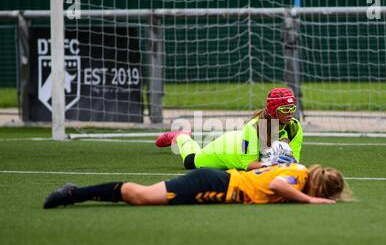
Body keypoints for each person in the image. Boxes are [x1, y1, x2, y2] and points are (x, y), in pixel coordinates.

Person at [43, 163, 352, 209]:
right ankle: (75, 193)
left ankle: (75, 192)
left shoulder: (298, 168)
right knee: (138, 197)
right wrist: (308, 201)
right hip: (212, 183)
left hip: (219, 179)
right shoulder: (298, 179)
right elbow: (275, 183)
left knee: (139, 197)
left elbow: (259, 168)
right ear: (318, 188)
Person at [155, 88, 303, 171]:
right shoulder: (254, 127)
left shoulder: (295, 128)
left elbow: (294, 161)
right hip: (225, 151)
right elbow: (249, 165)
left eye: (292, 108)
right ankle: (182, 136)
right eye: (285, 109)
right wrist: (273, 164)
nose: (290, 113)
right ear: (273, 111)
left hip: (241, 146)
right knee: (191, 162)